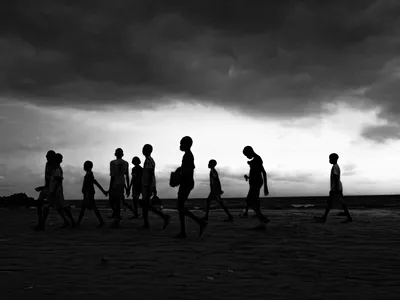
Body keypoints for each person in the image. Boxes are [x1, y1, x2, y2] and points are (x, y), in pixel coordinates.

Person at [172, 136, 208, 238]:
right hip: (186, 182)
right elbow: (188, 168)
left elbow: (188, 171)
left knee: (180, 206)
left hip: (186, 183)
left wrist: (178, 175)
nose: (180, 145)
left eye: (181, 143)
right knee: (180, 207)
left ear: (187, 144)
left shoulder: (188, 155)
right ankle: (183, 231)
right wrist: (180, 169)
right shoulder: (188, 155)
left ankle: (199, 222)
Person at [314, 153, 353, 223]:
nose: (329, 160)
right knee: (333, 203)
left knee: (335, 202)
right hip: (337, 187)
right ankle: (324, 217)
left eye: (330, 158)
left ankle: (324, 218)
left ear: (333, 159)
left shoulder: (335, 167)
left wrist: (333, 189)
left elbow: (336, 177)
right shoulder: (336, 166)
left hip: (336, 188)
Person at [139, 144, 170, 230]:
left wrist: (150, 187)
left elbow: (150, 174)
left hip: (147, 185)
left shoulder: (148, 161)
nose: (143, 150)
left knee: (145, 205)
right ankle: (148, 223)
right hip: (147, 185)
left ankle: (162, 217)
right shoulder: (149, 160)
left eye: (144, 149)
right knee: (146, 205)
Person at [45, 153, 77, 229]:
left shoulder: (57, 169)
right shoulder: (56, 168)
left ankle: (71, 221)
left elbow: (58, 180)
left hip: (56, 191)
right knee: (59, 207)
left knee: (61, 207)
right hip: (56, 191)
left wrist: (53, 191)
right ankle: (68, 221)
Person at [242, 146, 269, 230]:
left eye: (246, 155)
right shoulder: (254, 160)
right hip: (254, 182)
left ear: (250, 152)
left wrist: (265, 187)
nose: (246, 157)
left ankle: (263, 220)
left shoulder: (257, 159)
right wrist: (248, 177)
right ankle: (262, 222)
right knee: (252, 201)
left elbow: (263, 173)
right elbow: (255, 173)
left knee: (251, 201)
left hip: (256, 183)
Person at [77, 161, 107, 228]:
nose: (84, 167)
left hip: (89, 194)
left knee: (87, 208)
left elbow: (93, 183)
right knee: (90, 208)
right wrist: (103, 191)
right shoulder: (89, 174)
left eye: (85, 166)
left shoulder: (89, 175)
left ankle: (78, 223)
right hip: (88, 193)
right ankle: (101, 221)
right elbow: (95, 183)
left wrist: (103, 191)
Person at [31, 150, 56, 231]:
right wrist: (43, 187)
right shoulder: (47, 164)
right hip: (47, 188)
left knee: (48, 206)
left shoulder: (55, 166)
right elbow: (47, 179)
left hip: (52, 189)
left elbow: (54, 180)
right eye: (46, 156)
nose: (46, 157)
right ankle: (40, 223)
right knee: (39, 204)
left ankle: (42, 224)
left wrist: (51, 189)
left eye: (48, 156)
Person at [109, 148, 130, 228]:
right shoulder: (126, 163)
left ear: (115, 154)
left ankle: (117, 218)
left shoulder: (112, 163)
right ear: (122, 154)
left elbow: (112, 176)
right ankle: (117, 217)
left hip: (115, 184)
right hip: (121, 184)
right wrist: (127, 187)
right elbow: (127, 176)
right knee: (117, 202)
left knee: (112, 201)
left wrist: (110, 187)